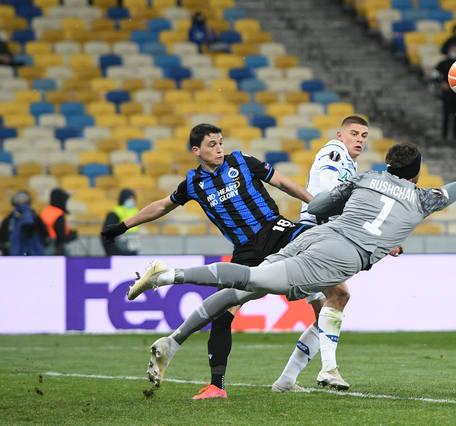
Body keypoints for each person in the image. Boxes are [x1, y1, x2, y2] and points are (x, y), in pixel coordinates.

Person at [127, 144, 456, 387]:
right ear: (417, 173)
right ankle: (168, 275)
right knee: (254, 278)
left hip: (318, 235)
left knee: (245, 290)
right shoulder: (424, 199)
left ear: (388, 166)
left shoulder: (367, 178)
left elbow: (317, 206)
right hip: (341, 256)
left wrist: (342, 204)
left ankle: (173, 342)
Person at [102, 123, 316, 400]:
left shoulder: (241, 162)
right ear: (197, 150)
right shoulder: (193, 183)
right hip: (246, 251)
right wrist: (123, 226)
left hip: (275, 230)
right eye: (212, 144)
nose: (219, 149)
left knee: (315, 242)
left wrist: (317, 204)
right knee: (221, 315)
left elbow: (283, 183)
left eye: (220, 143)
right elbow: (162, 206)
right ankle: (217, 386)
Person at [272, 115, 373, 392]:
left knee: (329, 308)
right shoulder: (335, 151)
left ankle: (287, 380)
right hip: (314, 234)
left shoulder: (349, 163)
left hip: (319, 234)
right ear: (340, 135)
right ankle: (327, 370)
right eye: (354, 133)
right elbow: (329, 191)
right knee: (338, 296)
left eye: (364, 136)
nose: (359, 140)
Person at [435, 44, 456, 142]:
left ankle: (455, 135)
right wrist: (441, 83)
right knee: (446, 115)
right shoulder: (443, 63)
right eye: (453, 49)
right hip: (447, 94)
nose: (454, 51)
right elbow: (435, 75)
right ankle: (444, 135)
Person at [0, 190, 48, 256]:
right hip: (34, 253)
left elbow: (3, 238)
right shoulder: (34, 217)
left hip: (14, 253)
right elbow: (44, 234)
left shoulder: (9, 219)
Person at [101, 188, 140, 256]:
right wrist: (111, 251)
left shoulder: (135, 211)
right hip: (119, 251)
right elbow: (106, 233)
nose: (132, 200)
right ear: (124, 198)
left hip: (132, 249)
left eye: (133, 198)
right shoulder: (115, 213)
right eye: (129, 198)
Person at [40, 188, 77, 255]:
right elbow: (61, 235)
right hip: (54, 246)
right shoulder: (58, 213)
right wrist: (71, 236)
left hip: (44, 243)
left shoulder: (46, 211)